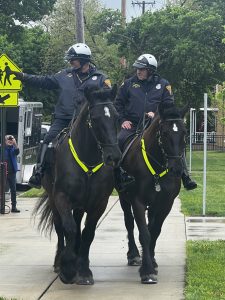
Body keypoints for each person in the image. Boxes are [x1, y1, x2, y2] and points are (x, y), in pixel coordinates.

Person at [10, 43, 111, 189]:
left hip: (87, 121)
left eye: (73, 59)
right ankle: (39, 172)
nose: (70, 62)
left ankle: (117, 173)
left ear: (83, 60)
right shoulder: (64, 75)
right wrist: (22, 76)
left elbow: (107, 98)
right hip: (63, 118)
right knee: (48, 140)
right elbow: (43, 81)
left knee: (109, 140)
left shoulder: (101, 78)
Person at [115, 53, 197, 191]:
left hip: (156, 125)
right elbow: (118, 104)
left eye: (142, 69)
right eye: (137, 68)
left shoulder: (163, 84)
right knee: (119, 140)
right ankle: (119, 175)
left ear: (151, 70)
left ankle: (185, 176)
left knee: (175, 141)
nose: (138, 71)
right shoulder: (128, 84)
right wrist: (123, 120)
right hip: (133, 125)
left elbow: (169, 105)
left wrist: (157, 115)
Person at [4, 135, 20, 213]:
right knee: (2, 190)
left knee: (13, 190)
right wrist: (6, 145)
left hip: (12, 172)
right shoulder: (3, 148)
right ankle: (1, 205)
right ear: (5, 141)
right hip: (3, 172)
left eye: (11, 139)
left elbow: (17, 152)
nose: (10, 140)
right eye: (8, 139)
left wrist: (15, 143)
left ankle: (14, 207)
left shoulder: (13, 148)